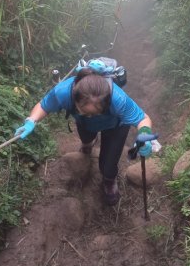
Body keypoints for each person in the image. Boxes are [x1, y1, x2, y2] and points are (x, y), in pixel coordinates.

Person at [14, 60, 156, 205]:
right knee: (86, 137)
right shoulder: (64, 92)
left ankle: (109, 180)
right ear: (74, 99)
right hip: (84, 124)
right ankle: (88, 143)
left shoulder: (118, 99)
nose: (90, 116)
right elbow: (44, 105)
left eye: (95, 113)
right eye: (85, 111)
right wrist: (31, 120)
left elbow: (142, 118)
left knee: (108, 165)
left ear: (106, 103)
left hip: (116, 126)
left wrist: (144, 135)